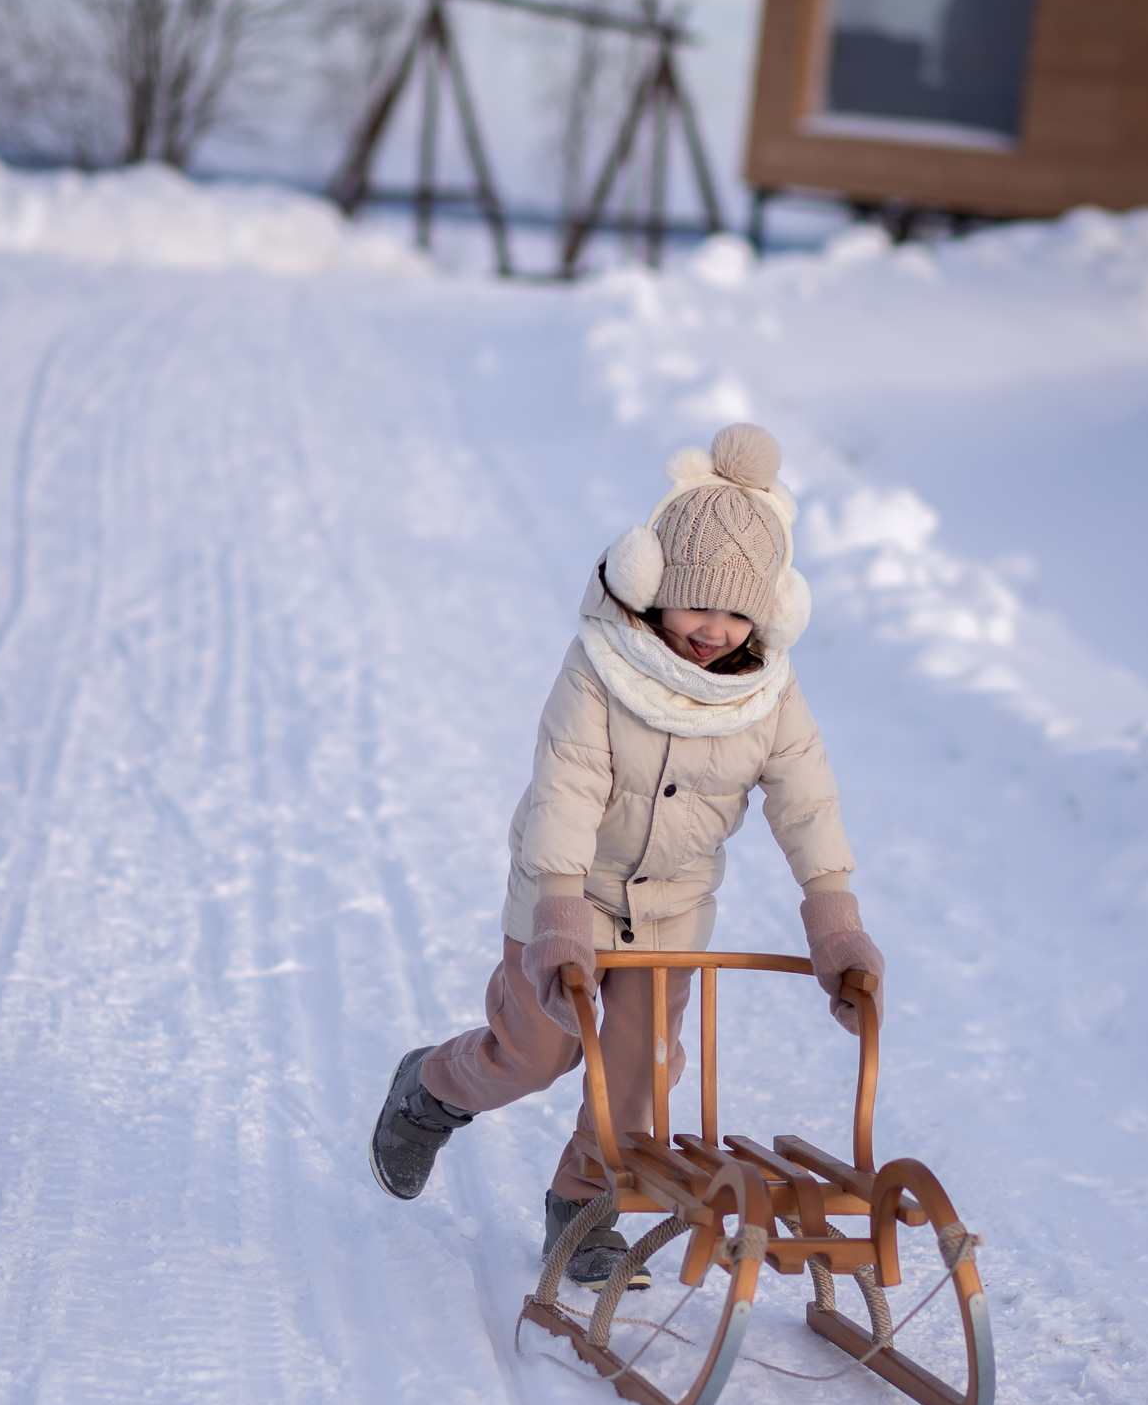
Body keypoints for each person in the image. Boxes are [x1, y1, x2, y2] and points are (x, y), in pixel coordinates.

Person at [369, 420, 885, 1286]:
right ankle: (432, 1089)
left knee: (640, 1076)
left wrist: (834, 922)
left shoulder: (767, 696)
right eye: (696, 603)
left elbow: (807, 802)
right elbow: (566, 788)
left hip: (671, 908)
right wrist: (559, 912)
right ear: (649, 586)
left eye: (736, 610)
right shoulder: (600, 667)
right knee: (536, 1051)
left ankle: (585, 1204)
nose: (714, 628)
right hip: (562, 888)